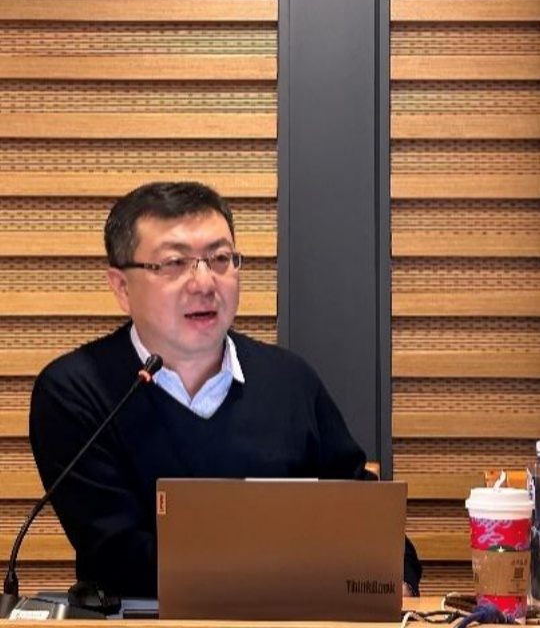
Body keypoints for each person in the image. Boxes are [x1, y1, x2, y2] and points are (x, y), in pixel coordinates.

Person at [30, 181, 421, 598]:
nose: (204, 283)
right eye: (175, 263)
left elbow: (366, 518)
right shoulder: (76, 391)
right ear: (122, 288)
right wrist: (294, 572)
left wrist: (393, 573)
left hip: (289, 619)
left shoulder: (288, 381)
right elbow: (121, 556)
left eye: (220, 259)